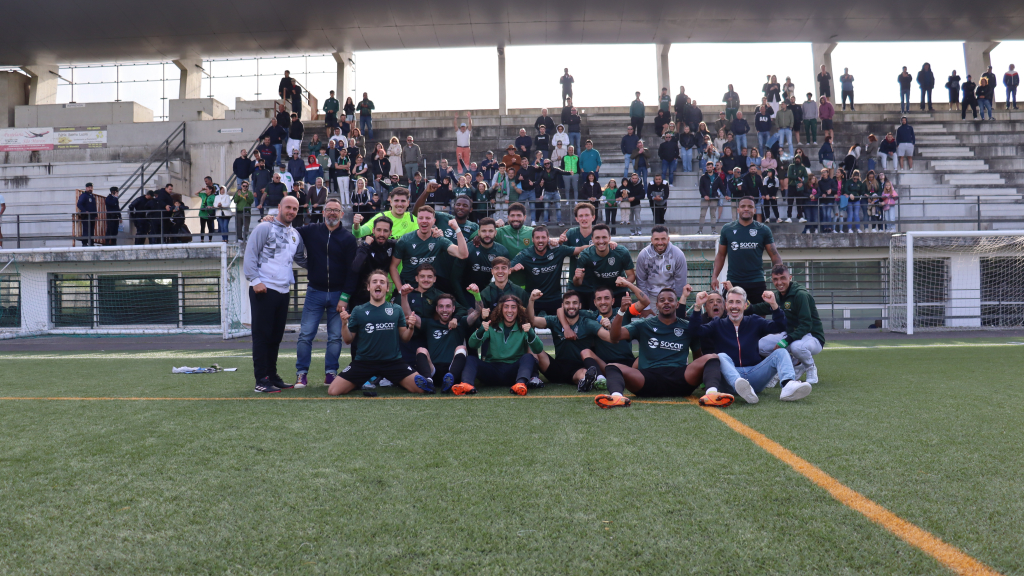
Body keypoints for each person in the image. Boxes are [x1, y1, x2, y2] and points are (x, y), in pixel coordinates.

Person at [594, 287, 725, 409]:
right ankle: (616, 397)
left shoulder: (687, 326)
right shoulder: (643, 324)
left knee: (712, 357)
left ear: (677, 304)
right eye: (662, 300)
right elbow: (615, 336)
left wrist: (699, 376)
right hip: (647, 379)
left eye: (670, 300)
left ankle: (712, 394)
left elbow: (698, 356)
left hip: (680, 379)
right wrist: (622, 311)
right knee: (612, 366)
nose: (666, 303)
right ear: (656, 306)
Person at [690, 287, 811, 404]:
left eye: (738, 302)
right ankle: (739, 384)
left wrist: (774, 305)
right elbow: (694, 332)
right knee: (720, 356)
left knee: (781, 352)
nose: (734, 306)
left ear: (745, 305)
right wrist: (697, 307)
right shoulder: (717, 324)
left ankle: (788, 386)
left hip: (754, 374)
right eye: (731, 302)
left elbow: (780, 326)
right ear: (726, 305)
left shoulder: (754, 321)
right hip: (730, 380)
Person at [327, 271, 432, 396]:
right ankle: (358, 381)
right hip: (364, 362)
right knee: (333, 391)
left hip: (393, 362)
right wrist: (344, 324)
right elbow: (348, 340)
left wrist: (411, 327)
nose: (378, 284)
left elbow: (405, 338)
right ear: (368, 287)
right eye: (374, 282)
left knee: (421, 389)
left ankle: (398, 380)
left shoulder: (396, 309)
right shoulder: (358, 310)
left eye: (382, 282)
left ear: (387, 288)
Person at [244, 196, 307, 393]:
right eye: (288, 207)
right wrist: (255, 281)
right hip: (263, 288)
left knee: (275, 336)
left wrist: (325, 268)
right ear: (279, 207)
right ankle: (261, 380)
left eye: (295, 209)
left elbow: (301, 259)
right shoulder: (265, 227)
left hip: (283, 290)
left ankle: (271, 375)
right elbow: (250, 254)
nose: (291, 211)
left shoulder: (296, 234)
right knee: (262, 336)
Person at [528, 290, 605, 390]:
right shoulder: (554, 320)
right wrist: (531, 300)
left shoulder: (587, 320)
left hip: (577, 367)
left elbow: (599, 317)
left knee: (583, 373)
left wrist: (605, 321)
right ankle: (533, 378)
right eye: (567, 303)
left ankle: (584, 381)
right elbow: (532, 321)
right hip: (557, 367)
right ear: (562, 306)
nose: (571, 306)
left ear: (580, 305)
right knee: (533, 348)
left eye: (575, 303)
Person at [468, 294, 544, 396]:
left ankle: (520, 384)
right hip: (492, 371)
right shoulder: (492, 324)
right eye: (506, 307)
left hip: (514, 373)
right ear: (501, 309)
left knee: (529, 357)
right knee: (470, 359)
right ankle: (466, 384)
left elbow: (538, 349)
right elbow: (472, 344)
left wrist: (530, 333)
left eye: (513, 307)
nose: (509, 310)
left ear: (518, 310)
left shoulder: (524, 326)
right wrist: (480, 331)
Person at [711, 197, 782, 303]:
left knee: (758, 317)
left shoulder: (763, 230)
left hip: (756, 282)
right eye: (743, 206)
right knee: (731, 316)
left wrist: (779, 275)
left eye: (750, 207)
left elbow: (775, 255)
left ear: (754, 210)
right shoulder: (727, 229)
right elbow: (721, 255)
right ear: (738, 209)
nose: (746, 209)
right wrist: (714, 276)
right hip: (733, 282)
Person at [391, 205, 469, 295]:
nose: (424, 220)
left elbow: (463, 254)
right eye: (421, 218)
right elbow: (393, 266)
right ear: (417, 220)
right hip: (408, 288)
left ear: (434, 221)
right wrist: (400, 289)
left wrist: (457, 229)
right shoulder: (405, 240)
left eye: (428, 218)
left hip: (429, 290)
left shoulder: (439, 240)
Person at [509, 225, 576, 315]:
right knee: (528, 325)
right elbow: (506, 269)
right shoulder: (525, 254)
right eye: (537, 238)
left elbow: (578, 250)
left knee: (559, 326)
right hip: (533, 298)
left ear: (548, 238)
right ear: (532, 239)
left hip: (554, 298)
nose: (540, 240)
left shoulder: (558, 250)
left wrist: (595, 246)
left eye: (543, 237)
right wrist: (513, 269)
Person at [574, 224, 636, 308]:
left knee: (623, 319)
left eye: (604, 237)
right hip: (599, 294)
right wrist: (577, 278)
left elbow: (632, 276)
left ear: (609, 238)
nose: (601, 241)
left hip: (619, 292)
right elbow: (578, 283)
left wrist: (624, 283)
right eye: (597, 238)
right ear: (592, 239)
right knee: (597, 320)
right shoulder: (585, 255)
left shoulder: (621, 252)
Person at [634, 225, 687, 307]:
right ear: (651, 240)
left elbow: (680, 282)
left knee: (671, 319)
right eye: (656, 239)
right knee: (649, 320)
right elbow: (641, 282)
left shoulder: (678, 255)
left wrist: (678, 302)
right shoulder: (643, 255)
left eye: (663, 239)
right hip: (650, 296)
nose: (660, 242)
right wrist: (645, 306)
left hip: (671, 295)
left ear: (668, 239)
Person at [352, 187, 417, 240]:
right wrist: (356, 224)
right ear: (391, 202)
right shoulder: (381, 217)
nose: (399, 204)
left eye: (403, 201)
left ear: (408, 203)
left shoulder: (413, 219)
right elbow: (358, 234)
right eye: (396, 201)